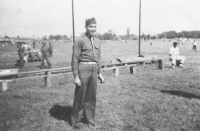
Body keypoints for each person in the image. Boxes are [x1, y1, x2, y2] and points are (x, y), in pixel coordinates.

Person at [71, 17, 105, 129]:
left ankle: (89, 119)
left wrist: (99, 72)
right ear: (86, 27)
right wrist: (76, 76)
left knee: (91, 96)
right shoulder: (80, 40)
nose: (93, 29)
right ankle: (75, 121)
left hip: (94, 69)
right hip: (83, 68)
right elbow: (75, 58)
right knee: (80, 96)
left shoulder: (97, 41)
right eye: (90, 26)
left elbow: (99, 58)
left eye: (95, 27)